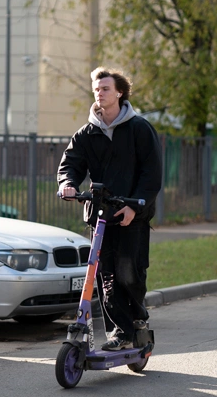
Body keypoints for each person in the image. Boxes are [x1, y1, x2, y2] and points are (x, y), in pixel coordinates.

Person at [58, 67, 163, 351]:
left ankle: (138, 319)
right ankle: (121, 333)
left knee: (129, 273)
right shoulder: (86, 133)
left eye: (105, 88)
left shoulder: (139, 128)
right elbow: (71, 164)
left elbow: (151, 175)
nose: (99, 93)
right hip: (100, 215)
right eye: (96, 89)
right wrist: (68, 183)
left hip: (132, 215)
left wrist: (135, 208)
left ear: (119, 92)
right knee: (105, 276)